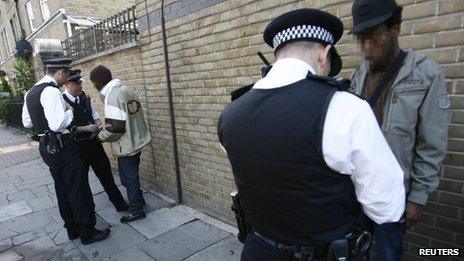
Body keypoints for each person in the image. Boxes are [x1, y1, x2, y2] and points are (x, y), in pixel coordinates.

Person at [217, 9, 405, 260]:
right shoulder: (346, 108)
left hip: (257, 251)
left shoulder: (229, 114)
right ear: (324, 53)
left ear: (278, 54)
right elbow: (386, 207)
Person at [349, 0, 450, 260]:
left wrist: (418, 196)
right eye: (362, 37)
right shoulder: (358, 75)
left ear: (395, 30)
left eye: (374, 36)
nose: (367, 45)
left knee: (388, 253)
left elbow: (432, 143)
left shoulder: (425, 74)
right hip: (356, 187)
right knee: (353, 250)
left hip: (395, 191)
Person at [22, 58, 110, 245]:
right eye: (68, 74)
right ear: (61, 72)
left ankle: (72, 229)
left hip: (46, 147)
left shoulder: (31, 92)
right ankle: (88, 233)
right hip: (63, 146)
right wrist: (68, 110)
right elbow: (58, 123)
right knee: (78, 189)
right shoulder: (52, 90)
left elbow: (27, 122)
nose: (67, 79)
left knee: (62, 188)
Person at [89, 65, 151, 223]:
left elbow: (115, 128)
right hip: (137, 140)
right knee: (132, 176)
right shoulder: (127, 90)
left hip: (126, 145)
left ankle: (136, 211)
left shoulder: (113, 96)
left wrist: (100, 136)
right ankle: (139, 202)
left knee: (128, 179)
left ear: (97, 83)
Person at [63, 69, 128, 212]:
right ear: (67, 84)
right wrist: (86, 128)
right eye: (76, 83)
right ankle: (88, 212)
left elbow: (95, 116)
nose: (80, 85)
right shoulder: (62, 102)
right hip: (77, 147)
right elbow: (64, 127)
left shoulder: (85, 98)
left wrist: (97, 126)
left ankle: (120, 205)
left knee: (106, 176)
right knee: (81, 183)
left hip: (93, 143)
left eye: (80, 82)